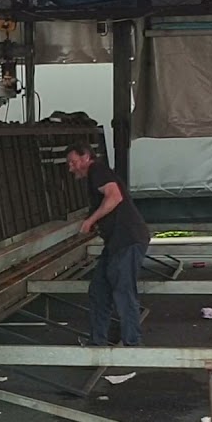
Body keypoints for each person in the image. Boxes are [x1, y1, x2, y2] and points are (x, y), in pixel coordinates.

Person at [65, 143, 151, 346]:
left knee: (123, 291)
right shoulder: (95, 176)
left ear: (86, 157)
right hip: (116, 242)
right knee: (99, 291)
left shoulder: (98, 170)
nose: (71, 168)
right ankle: (98, 342)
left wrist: (90, 221)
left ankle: (132, 344)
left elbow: (114, 197)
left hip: (127, 240)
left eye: (73, 162)